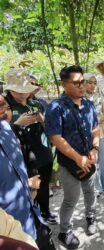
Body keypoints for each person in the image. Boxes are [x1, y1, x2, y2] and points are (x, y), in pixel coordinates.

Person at [45, 66, 99, 249]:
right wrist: (77, 158)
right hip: (69, 162)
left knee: (91, 191)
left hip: (89, 158)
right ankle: (64, 230)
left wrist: (95, 148)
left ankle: (91, 216)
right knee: (71, 198)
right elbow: (55, 137)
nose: (82, 86)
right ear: (64, 84)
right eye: (76, 83)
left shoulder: (89, 104)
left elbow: (95, 129)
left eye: (82, 81)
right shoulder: (56, 107)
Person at [0, 95, 56, 250]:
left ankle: (46, 212)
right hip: (12, 233)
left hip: (32, 216)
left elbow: (22, 160)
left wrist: (27, 186)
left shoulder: (6, 129)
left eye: (5, 106)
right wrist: (17, 124)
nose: (4, 109)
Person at [4, 68, 56, 225]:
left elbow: (50, 128)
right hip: (22, 159)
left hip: (42, 153)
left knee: (44, 186)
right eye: (18, 91)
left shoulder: (36, 104)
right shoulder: (5, 109)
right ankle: (32, 218)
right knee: (29, 190)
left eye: (25, 91)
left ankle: (46, 212)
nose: (22, 95)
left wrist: (42, 120)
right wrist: (16, 124)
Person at [84, 73, 104, 194]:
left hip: (103, 131)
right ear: (84, 83)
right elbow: (84, 119)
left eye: (94, 83)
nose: (92, 85)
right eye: (89, 83)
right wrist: (100, 118)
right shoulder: (81, 98)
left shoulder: (99, 96)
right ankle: (96, 187)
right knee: (93, 160)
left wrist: (101, 118)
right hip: (89, 133)